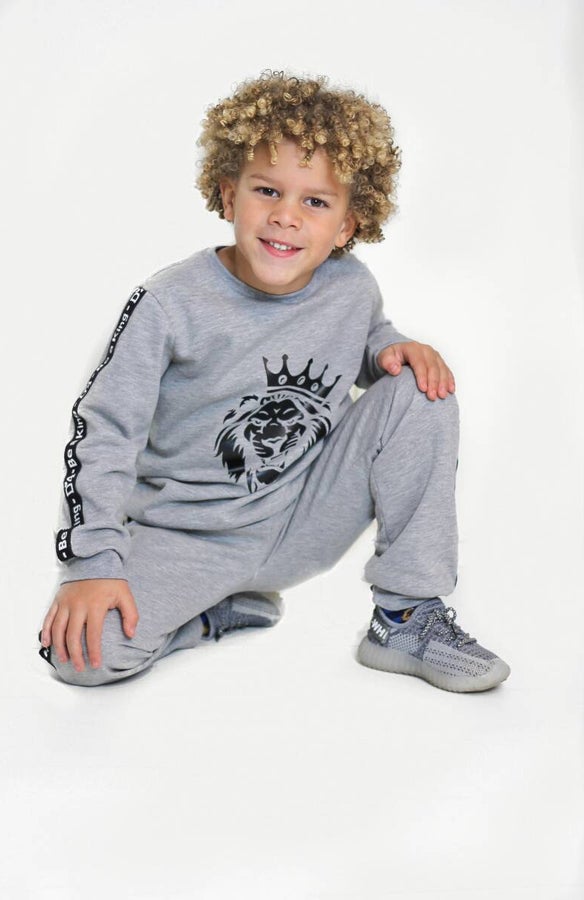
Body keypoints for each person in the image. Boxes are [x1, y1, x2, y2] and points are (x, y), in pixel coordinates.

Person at [38, 70, 510, 692]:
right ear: (228, 196)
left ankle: (404, 618)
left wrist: (392, 349)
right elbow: (104, 430)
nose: (286, 217)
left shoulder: (351, 286)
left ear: (347, 226)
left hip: (302, 517)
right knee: (81, 656)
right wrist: (93, 561)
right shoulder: (168, 304)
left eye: (315, 202)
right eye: (267, 191)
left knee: (424, 389)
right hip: (188, 536)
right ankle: (213, 614)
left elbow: (368, 338)